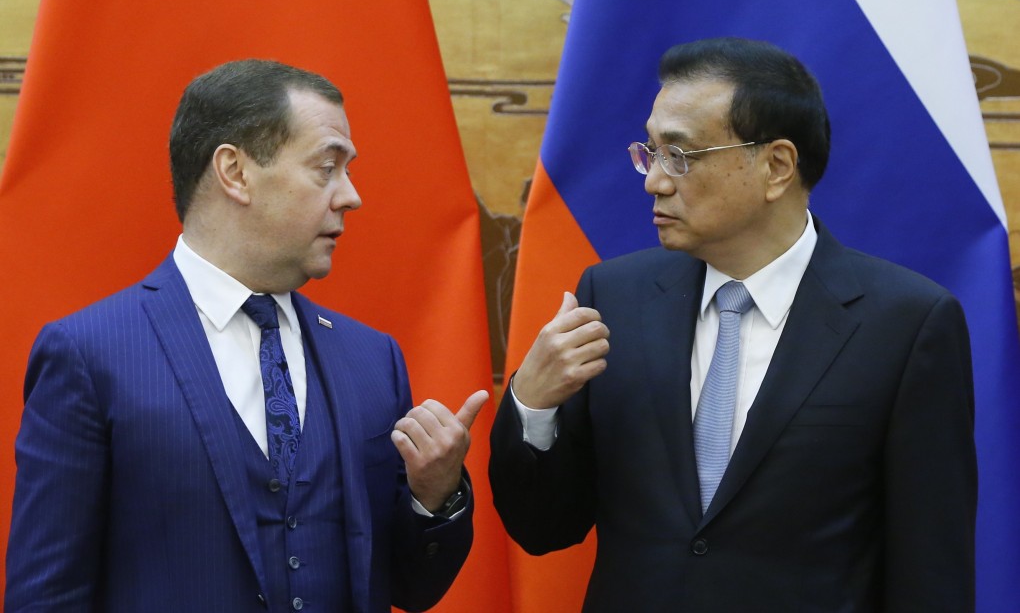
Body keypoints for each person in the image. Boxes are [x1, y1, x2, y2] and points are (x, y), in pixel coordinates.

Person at [489, 37, 976, 612]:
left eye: (680, 155)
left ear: (776, 166)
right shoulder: (614, 298)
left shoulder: (906, 323)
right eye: (650, 152)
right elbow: (545, 528)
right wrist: (534, 408)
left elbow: (931, 569)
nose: (654, 180)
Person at [6, 59, 488, 613]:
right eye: (327, 167)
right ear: (235, 172)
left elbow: (409, 587)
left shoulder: (371, 358)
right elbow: (47, 594)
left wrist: (434, 495)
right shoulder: (90, 354)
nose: (350, 196)